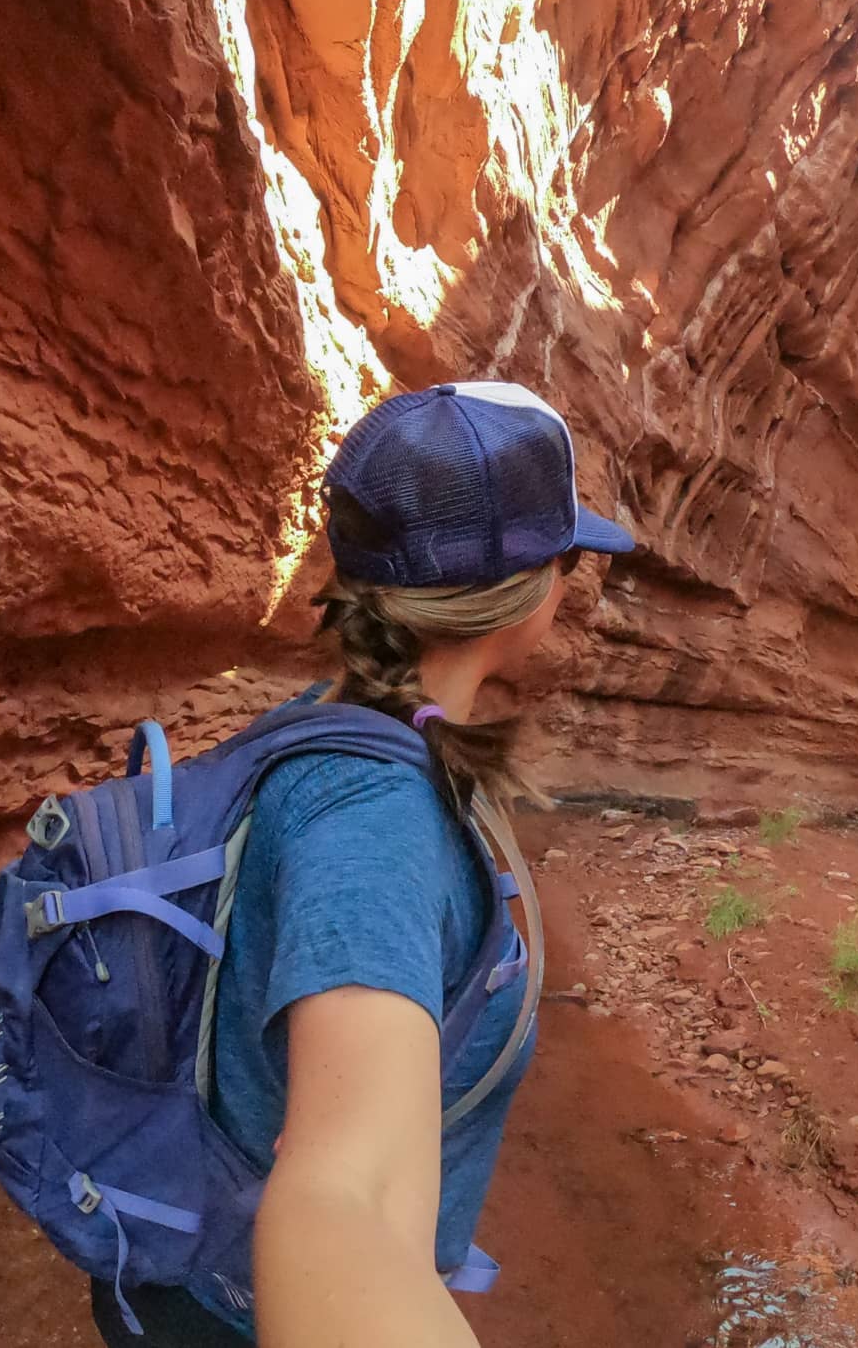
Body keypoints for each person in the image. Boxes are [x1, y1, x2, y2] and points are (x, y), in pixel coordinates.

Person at [89, 381, 634, 1347]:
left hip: (193, 1269)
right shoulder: (376, 815)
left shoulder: (329, 719)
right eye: (570, 556)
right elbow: (338, 1203)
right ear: (534, 590)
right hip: (232, 1317)